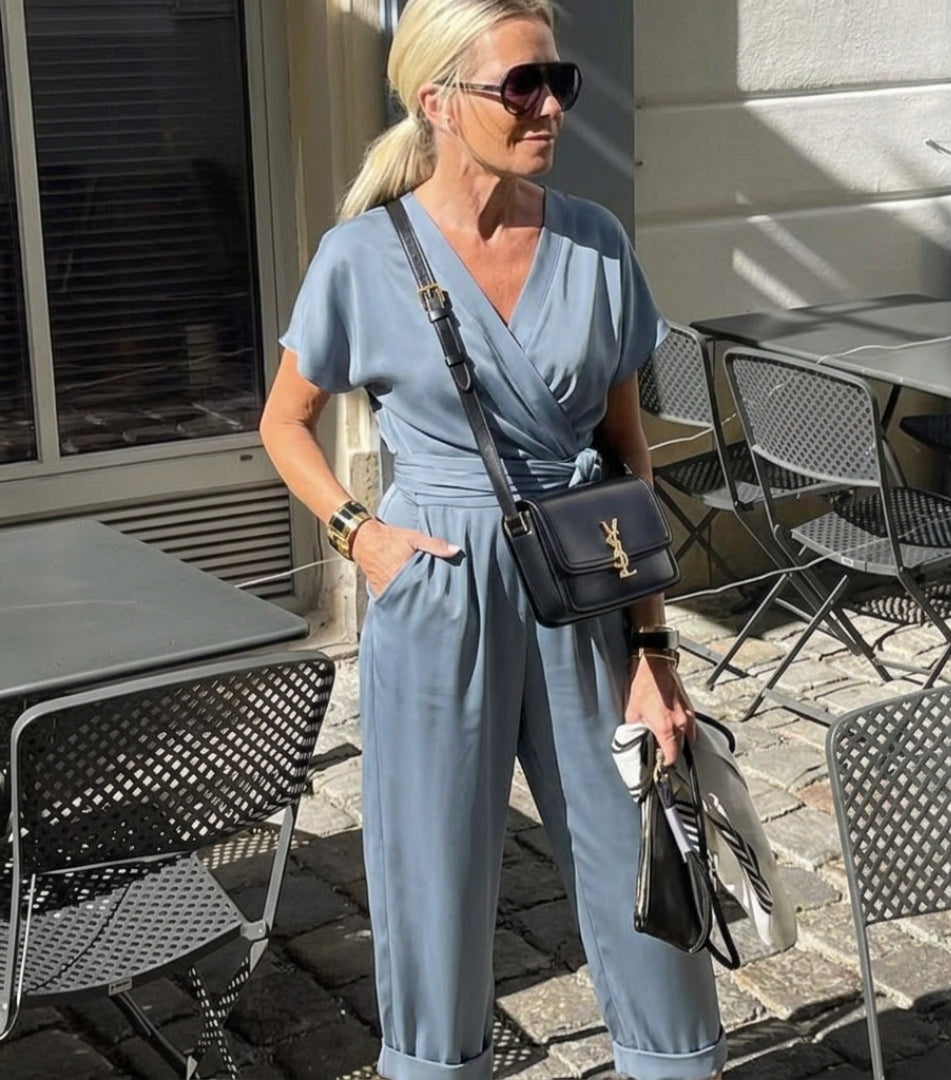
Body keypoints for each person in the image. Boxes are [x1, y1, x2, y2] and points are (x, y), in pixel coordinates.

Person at [259, 1, 725, 1077]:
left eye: (558, 81)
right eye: (521, 85)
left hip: (582, 582)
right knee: (433, 879)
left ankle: (674, 1062)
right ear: (437, 102)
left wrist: (653, 647)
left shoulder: (595, 242)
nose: (550, 106)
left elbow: (626, 454)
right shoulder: (359, 258)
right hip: (437, 585)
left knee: (640, 849)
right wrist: (361, 536)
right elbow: (284, 422)